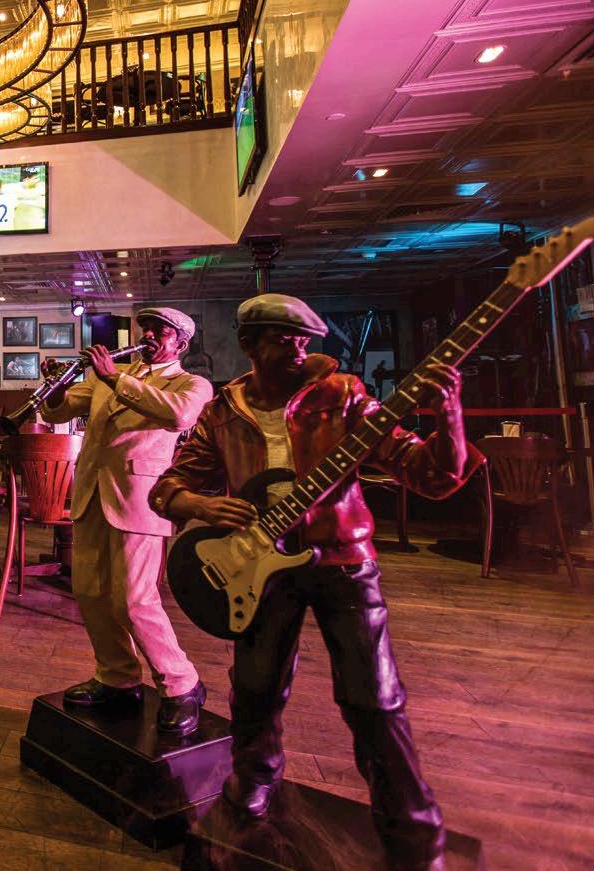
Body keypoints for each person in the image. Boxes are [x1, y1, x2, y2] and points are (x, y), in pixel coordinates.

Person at [149, 294, 478, 871]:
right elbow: (166, 488)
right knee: (255, 687)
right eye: (284, 339)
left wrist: (448, 414)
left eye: (304, 339)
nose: (299, 349)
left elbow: (434, 476)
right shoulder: (223, 412)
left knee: (374, 697)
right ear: (249, 346)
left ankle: (412, 825)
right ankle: (252, 783)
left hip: (342, 560)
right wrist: (200, 504)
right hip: (258, 568)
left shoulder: (342, 396)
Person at [40, 307, 213, 734]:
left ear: (181, 343)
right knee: (90, 592)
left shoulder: (191, 384)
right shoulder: (112, 375)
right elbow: (60, 412)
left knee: (134, 600)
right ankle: (117, 678)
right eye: (145, 328)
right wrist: (55, 387)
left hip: (139, 499)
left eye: (160, 331)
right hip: (91, 495)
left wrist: (115, 379)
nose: (148, 335)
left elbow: (178, 415)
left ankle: (181, 684)